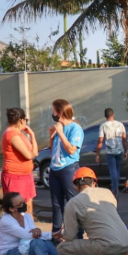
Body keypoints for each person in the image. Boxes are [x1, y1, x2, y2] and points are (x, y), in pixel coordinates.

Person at [55, 167, 128, 255]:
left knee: (62, 248)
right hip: (126, 243)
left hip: (107, 246)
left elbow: (70, 236)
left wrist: (62, 233)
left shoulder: (73, 203)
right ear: (94, 182)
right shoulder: (107, 193)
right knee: (99, 238)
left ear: (76, 186)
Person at [0, 192, 76, 255]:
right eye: (19, 204)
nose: (23, 204)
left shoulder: (26, 216)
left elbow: (34, 231)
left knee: (44, 241)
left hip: (25, 252)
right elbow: (27, 235)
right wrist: (53, 234)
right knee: (37, 241)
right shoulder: (6, 221)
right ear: (11, 209)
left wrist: (38, 230)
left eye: (23, 201)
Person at [48, 99, 84, 234]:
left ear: (60, 112)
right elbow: (53, 149)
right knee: (56, 205)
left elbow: (71, 150)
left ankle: (77, 235)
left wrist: (61, 133)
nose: (53, 114)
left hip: (68, 168)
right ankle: (56, 235)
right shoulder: (58, 127)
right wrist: (52, 136)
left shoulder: (75, 128)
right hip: (55, 169)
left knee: (72, 203)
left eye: (54, 111)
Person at [1, 108, 38, 215]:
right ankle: (21, 230)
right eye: (26, 119)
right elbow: (29, 155)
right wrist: (32, 152)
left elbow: (34, 153)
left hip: (26, 175)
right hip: (15, 176)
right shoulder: (11, 134)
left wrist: (32, 135)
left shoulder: (20, 134)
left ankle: (29, 230)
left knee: (28, 206)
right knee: (18, 209)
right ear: (21, 120)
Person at [95, 108, 127, 197]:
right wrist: (125, 151)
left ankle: (115, 188)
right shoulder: (120, 125)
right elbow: (124, 139)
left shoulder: (103, 126)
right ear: (113, 114)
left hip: (109, 151)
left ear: (105, 116)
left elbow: (100, 141)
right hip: (119, 150)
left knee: (112, 170)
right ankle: (116, 186)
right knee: (117, 169)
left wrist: (97, 154)